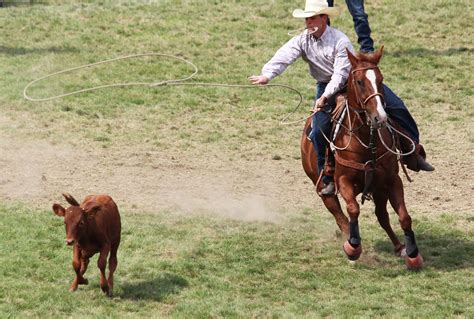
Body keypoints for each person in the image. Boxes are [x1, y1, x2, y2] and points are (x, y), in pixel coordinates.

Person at [248, 0, 434, 195]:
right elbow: (285, 55)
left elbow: (339, 75)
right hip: (326, 86)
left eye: (312, 18)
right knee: (319, 129)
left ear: (324, 18)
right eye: (307, 19)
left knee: (397, 107)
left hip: (356, 84)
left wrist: (326, 96)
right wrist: (267, 74)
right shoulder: (303, 39)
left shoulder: (339, 40)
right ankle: (326, 175)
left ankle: (413, 153)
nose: (308, 23)